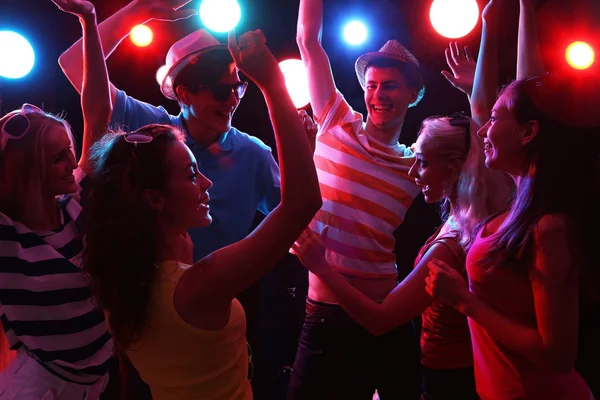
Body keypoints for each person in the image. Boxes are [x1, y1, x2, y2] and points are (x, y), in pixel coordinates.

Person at [82, 28, 321, 400]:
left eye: (238, 88)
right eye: (192, 173)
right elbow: (301, 205)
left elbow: (95, 112)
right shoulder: (200, 286)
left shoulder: (122, 283)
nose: (208, 182)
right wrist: (273, 84)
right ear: (155, 199)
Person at [425, 1, 598, 399]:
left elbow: (558, 356)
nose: (483, 127)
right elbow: (503, 99)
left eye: (497, 119)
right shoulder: (520, 198)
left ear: (527, 133)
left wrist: (465, 302)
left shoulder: (549, 226)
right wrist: (506, 15)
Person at [58, 0, 282, 261]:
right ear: (183, 94)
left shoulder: (254, 155)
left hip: (219, 290)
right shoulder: (151, 130)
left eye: (237, 89)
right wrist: (137, 11)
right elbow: (74, 63)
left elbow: (297, 216)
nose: (232, 101)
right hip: (146, 287)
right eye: (222, 92)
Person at [289, 0, 430, 398]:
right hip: (325, 317)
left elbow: (480, 146)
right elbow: (307, 41)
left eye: (389, 86)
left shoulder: (415, 164)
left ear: (412, 94)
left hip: (384, 316)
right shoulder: (336, 121)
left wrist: (472, 88)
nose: (377, 94)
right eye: (371, 85)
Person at [0, 0, 113, 397]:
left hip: (95, 381)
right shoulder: (8, 239)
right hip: (41, 389)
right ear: (29, 169)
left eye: (70, 150)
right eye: (58, 156)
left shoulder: (73, 203)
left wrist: (89, 19)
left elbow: (98, 111)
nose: (73, 161)